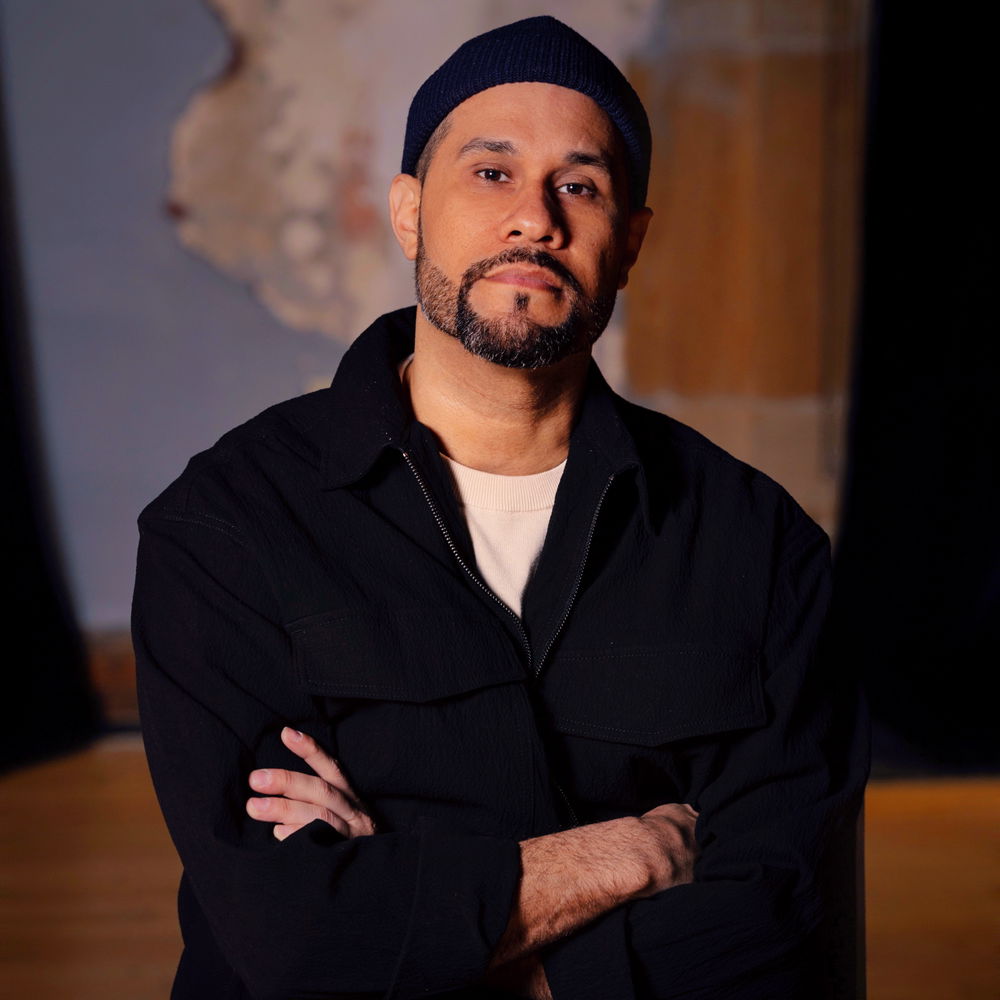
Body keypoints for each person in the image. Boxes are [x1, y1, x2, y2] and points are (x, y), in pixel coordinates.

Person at [133, 16, 868, 1000]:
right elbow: (292, 933)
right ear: (408, 213)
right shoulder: (228, 525)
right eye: (490, 172)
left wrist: (432, 935)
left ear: (631, 239)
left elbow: (779, 918)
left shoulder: (757, 541)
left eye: (581, 183)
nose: (535, 217)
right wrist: (623, 857)